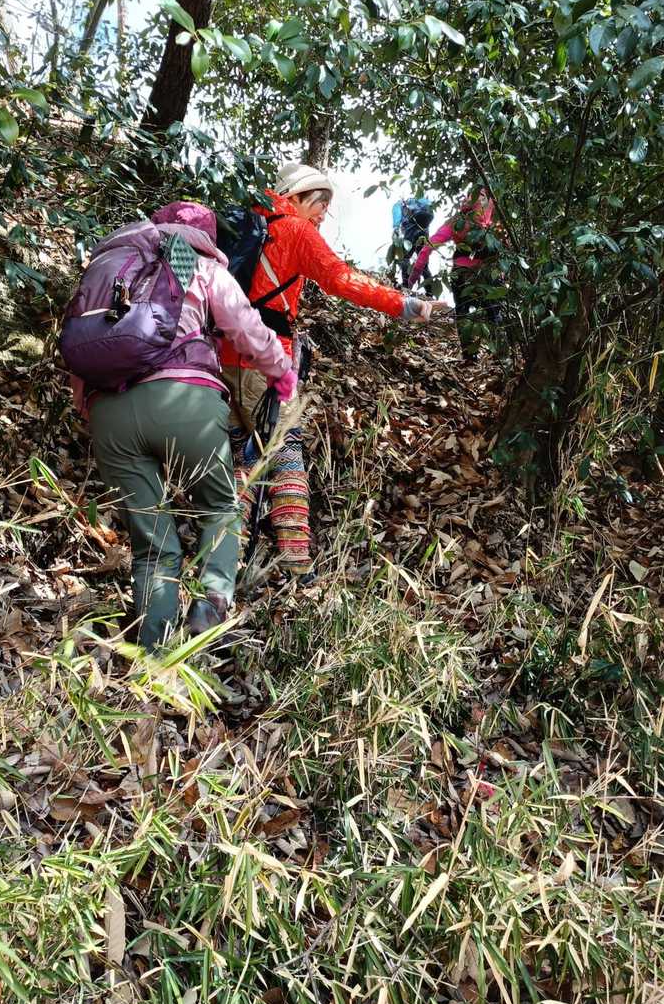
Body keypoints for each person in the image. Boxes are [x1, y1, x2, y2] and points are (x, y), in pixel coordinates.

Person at [84, 202, 296, 647]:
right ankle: (209, 607)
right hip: (186, 402)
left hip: (108, 411)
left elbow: (85, 343)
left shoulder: (111, 263)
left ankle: (154, 656)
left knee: (152, 547)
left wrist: (90, 408)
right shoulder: (195, 262)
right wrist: (281, 371)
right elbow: (246, 327)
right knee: (219, 509)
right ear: (208, 237)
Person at [220, 158, 443, 579]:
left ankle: (222, 558)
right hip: (266, 360)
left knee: (244, 454)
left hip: (224, 358)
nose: (324, 214)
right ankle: (295, 561)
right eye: (320, 203)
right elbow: (341, 279)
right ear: (297, 197)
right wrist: (405, 305)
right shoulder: (295, 230)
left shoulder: (249, 225)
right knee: (285, 453)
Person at [409, 190, 502, 363]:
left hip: (461, 273)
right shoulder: (491, 221)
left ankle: (469, 356)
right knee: (494, 312)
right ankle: (500, 355)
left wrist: (413, 277)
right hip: (487, 274)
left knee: (462, 312)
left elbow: (427, 248)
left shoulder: (455, 222)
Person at [390, 197, 435, 286]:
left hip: (411, 229)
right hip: (424, 232)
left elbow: (397, 213)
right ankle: (430, 290)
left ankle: (406, 284)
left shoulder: (400, 204)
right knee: (423, 262)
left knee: (404, 257)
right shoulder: (420, 203)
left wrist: (396, 227)